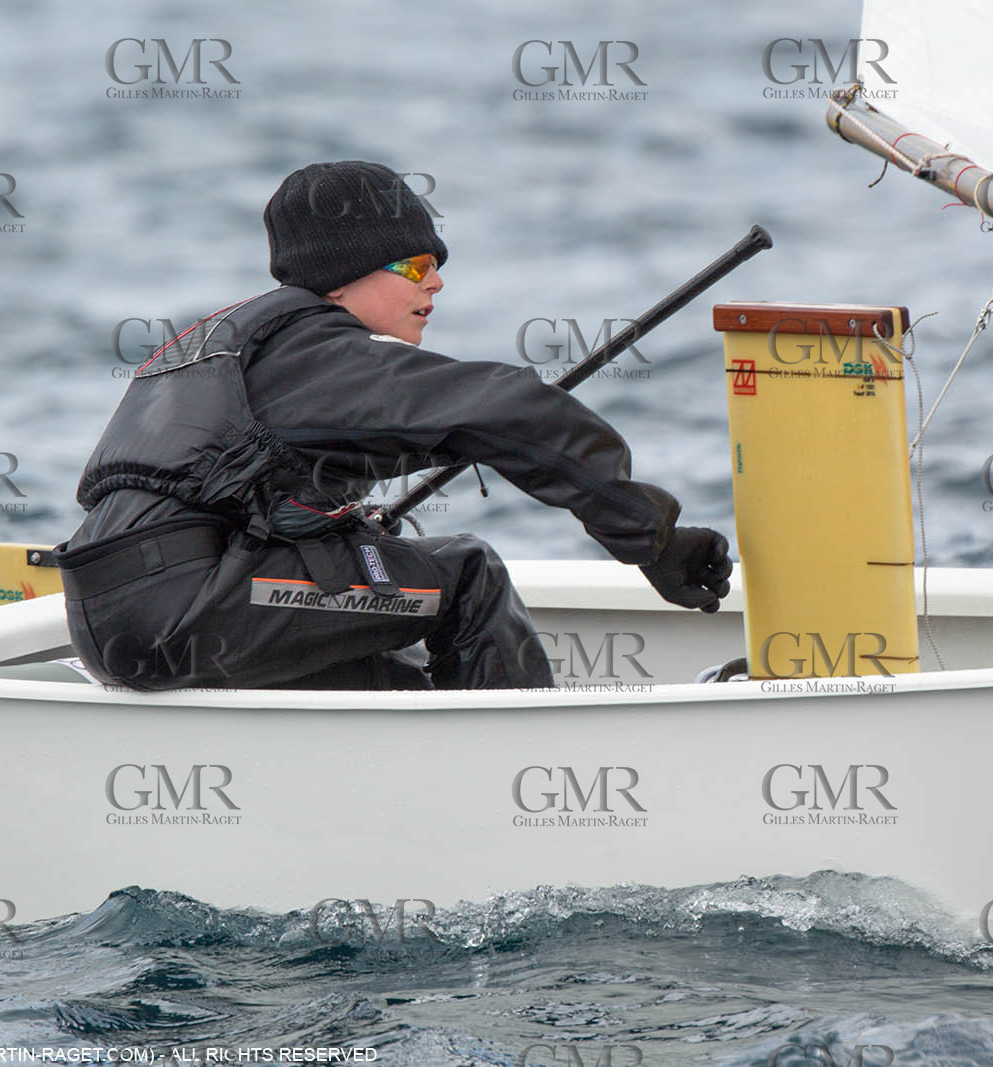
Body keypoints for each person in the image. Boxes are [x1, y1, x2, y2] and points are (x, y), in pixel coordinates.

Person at [55, 160, 731, 691]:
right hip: (183, 609)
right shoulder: (314, 354)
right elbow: (508, 409)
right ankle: (519, 785)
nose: (435, 285)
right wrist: (652, 538)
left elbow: (221, 498)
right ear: (341, 275)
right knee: (467, 573)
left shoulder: (227, 346)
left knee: (402, 665)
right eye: (415, 266)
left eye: (438, 267)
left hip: (117, 614)